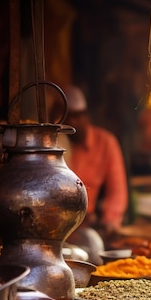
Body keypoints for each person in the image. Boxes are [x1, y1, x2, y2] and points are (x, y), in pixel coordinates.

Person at [61, 86, 129, 240]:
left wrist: (110, 220)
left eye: (78, 116)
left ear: (87, 115)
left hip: (90, 226)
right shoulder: (56, 143)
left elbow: (117, 191)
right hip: (59, 227)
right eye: (68, 117)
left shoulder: (106, 143)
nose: (72, 122)